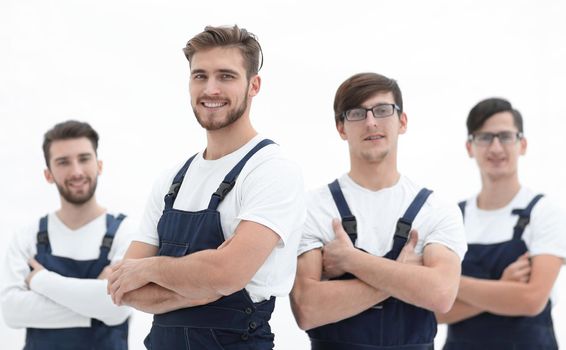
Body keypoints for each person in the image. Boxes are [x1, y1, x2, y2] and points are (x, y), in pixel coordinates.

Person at [107, 25, 305, 350]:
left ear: (253, 85)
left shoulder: (272, 171)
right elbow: (125, 288)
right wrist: (204, 284)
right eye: (200, 76)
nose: (210, 88)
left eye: (226, 76)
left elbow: (228, 273)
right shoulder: (173, 180)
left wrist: (151, 268)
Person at [290, 72, 467, 350]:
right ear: (341, 128)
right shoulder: (313, 207)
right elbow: (307, 309)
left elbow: (441, 294)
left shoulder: (437, 210)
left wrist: (350, 260)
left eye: (383, 110)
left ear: (402, 122)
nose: (371, 121)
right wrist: (403, 276)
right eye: (357, 113)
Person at [437, 98, 566, 349]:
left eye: (505, 136)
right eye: (485, 137)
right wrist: (504, 290)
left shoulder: (544, 211)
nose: (496, 147)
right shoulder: (452, 217)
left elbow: (531, 300)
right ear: (469, 147)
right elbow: (434, 313)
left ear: (523, 144)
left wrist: (448, 284)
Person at [0, 120, 134, 349]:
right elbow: (12, 311)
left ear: (99, 165)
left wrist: (40, 281)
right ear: (48, 174)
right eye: (63, 162)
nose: (76, 171)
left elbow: (117, 309)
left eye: (84, 158)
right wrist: (94, 303)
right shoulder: (27, 236)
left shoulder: (127, 232)